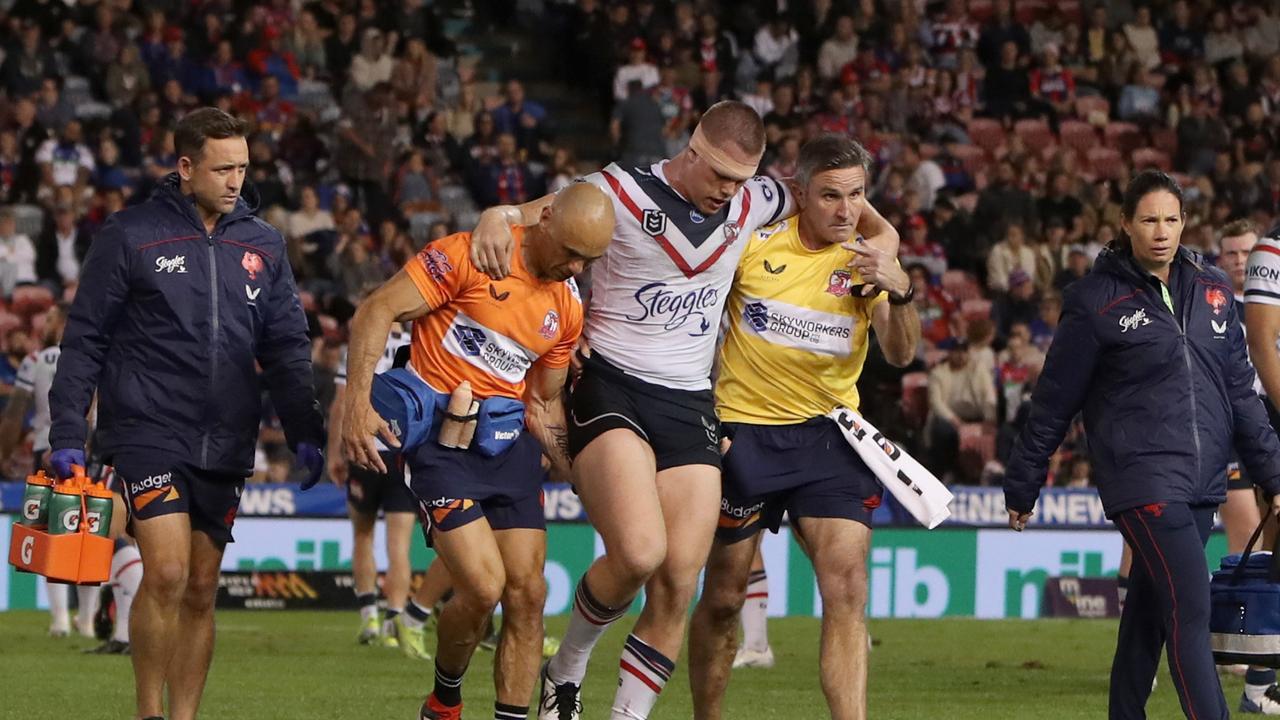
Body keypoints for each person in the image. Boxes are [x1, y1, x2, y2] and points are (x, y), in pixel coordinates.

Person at [465, 101, 898, 720]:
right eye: (720, 175)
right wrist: (495, 215)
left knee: (678, 580)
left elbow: (837, 195)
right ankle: (567, 668)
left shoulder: (757, 198)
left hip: (691, 399)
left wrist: (889, 236)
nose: (729, 192)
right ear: (692, 150)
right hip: (612, 384)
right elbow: (540, 215)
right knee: (641, 553)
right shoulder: (616, 189)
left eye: (741, 180)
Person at [47, 107, 325, 720]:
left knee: (201, 588)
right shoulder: (130, 234)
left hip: (225, 435)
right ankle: (149, 713)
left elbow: (285, 345)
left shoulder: (263, 243)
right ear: (185, 167)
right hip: (147, 427)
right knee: (167, 571)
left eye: (243, 167)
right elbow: (86, 336)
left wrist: (305, 427)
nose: (235, 180)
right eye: (223, 168)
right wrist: (68, 428)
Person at [1004, 170, 1280, 720]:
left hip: (1204, 480)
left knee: (1150, 616)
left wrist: (1274, 476)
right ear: (1125, 222)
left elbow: (1241, 397)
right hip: (1141, 478)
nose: (1161, 231)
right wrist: (1024, 481)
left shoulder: (1214, 292)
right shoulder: (1093, 301)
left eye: (1172, 219)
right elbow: (1054, 399)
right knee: (1190, 608)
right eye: (1149, 219)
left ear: (1184, 223)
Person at [340, 182, 614, 720]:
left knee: (529, 594)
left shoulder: (566, 306)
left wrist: (578, 471)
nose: (577, 268)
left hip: (507, 445)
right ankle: (445, 701)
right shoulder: (469, 256)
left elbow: (542, 402)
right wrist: (355, 402)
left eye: (589, 260)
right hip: (442, 447)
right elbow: (375, 310)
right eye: (571, 253)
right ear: (546, 220)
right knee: (484, 585)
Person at [688, 134, 920, 720]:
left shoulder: (865, 262)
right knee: (721, 599)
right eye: (830, 197)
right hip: (746, 437)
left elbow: (900, 354)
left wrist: (903, 290)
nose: (845, 211)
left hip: (831, 437)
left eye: (857, 196)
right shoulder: (753, 246)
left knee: (847, 588)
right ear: (800, 194)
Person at [0, 302, 99, 639]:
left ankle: (59, 619)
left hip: (50, 449)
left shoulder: (35, 361)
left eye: (52, 318)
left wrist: (5, 450)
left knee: (54, 532)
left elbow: (15, 412)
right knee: (91, 534)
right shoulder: (96, 355)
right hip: (90, 451)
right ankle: (87, 619)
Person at [325, 321, 416, 647]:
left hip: (364, 451)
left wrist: (335, 452)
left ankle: (370, 618)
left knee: (362, 535)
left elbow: (341, 405)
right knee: (399, 545)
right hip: (401, 453)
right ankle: (395, 620)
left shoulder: (358, 350)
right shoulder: (414, 344)